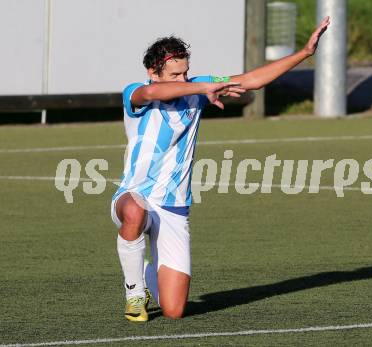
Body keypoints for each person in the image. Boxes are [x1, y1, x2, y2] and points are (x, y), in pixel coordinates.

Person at [111, 16, 330, 322]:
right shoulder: (136, 92)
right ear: (153, 73)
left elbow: (251, 80)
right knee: (134, 212)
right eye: (175, 74)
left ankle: (148, 274)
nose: (184, 80)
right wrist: (204, 87)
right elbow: (152, 94)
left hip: (174, 208)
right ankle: (134, 293)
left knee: (174, 310)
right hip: (134, 195)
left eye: (186, 73)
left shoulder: (194, 90)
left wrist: (304, 53)